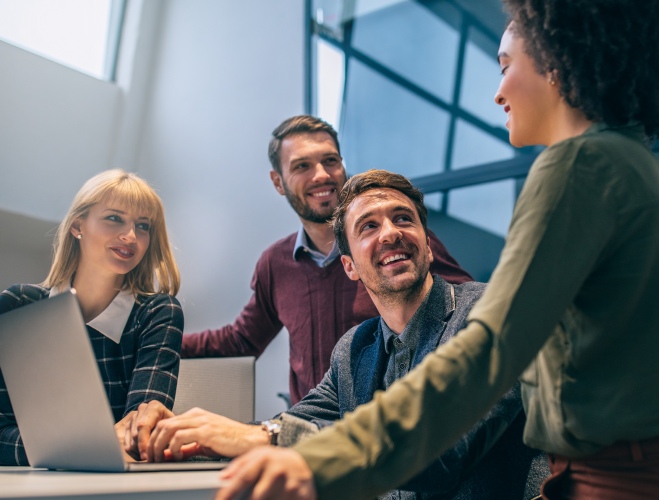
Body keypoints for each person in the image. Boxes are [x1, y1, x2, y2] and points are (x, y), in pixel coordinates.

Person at [213, 1, 659, 499]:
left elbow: (490, 353)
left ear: (556, 59)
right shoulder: (641, 170)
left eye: (505, 66)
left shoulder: (578, 167)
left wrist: (324, 459)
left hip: (637, 483)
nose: (498, 92)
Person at [123, 170, 548, 499]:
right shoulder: (354, 349)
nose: (390, 232)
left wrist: (261, 438)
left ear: (428, 244)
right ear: (349, 267)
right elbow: (296, 424)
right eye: (368, 226)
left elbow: (443, 452)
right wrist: (198, 437)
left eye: (403, 219)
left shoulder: (488, 312)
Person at [182, 115, 473, 405]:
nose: (321, 174)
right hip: (309, 425)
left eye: (331, 161)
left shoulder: (399, 244)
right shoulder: (274, 264)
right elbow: (241, 340)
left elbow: (463, 311)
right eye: (302, 166)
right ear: (278, 181)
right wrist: (156, 339)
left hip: (389, 431)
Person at [0, 170, 183, 467]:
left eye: (143, 226)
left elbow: (140, 438)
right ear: (78, 226)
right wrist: (101, 443)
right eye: (115, 218)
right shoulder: (20, 305)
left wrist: (32, 449)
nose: (131, 236)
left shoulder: (158, 312)